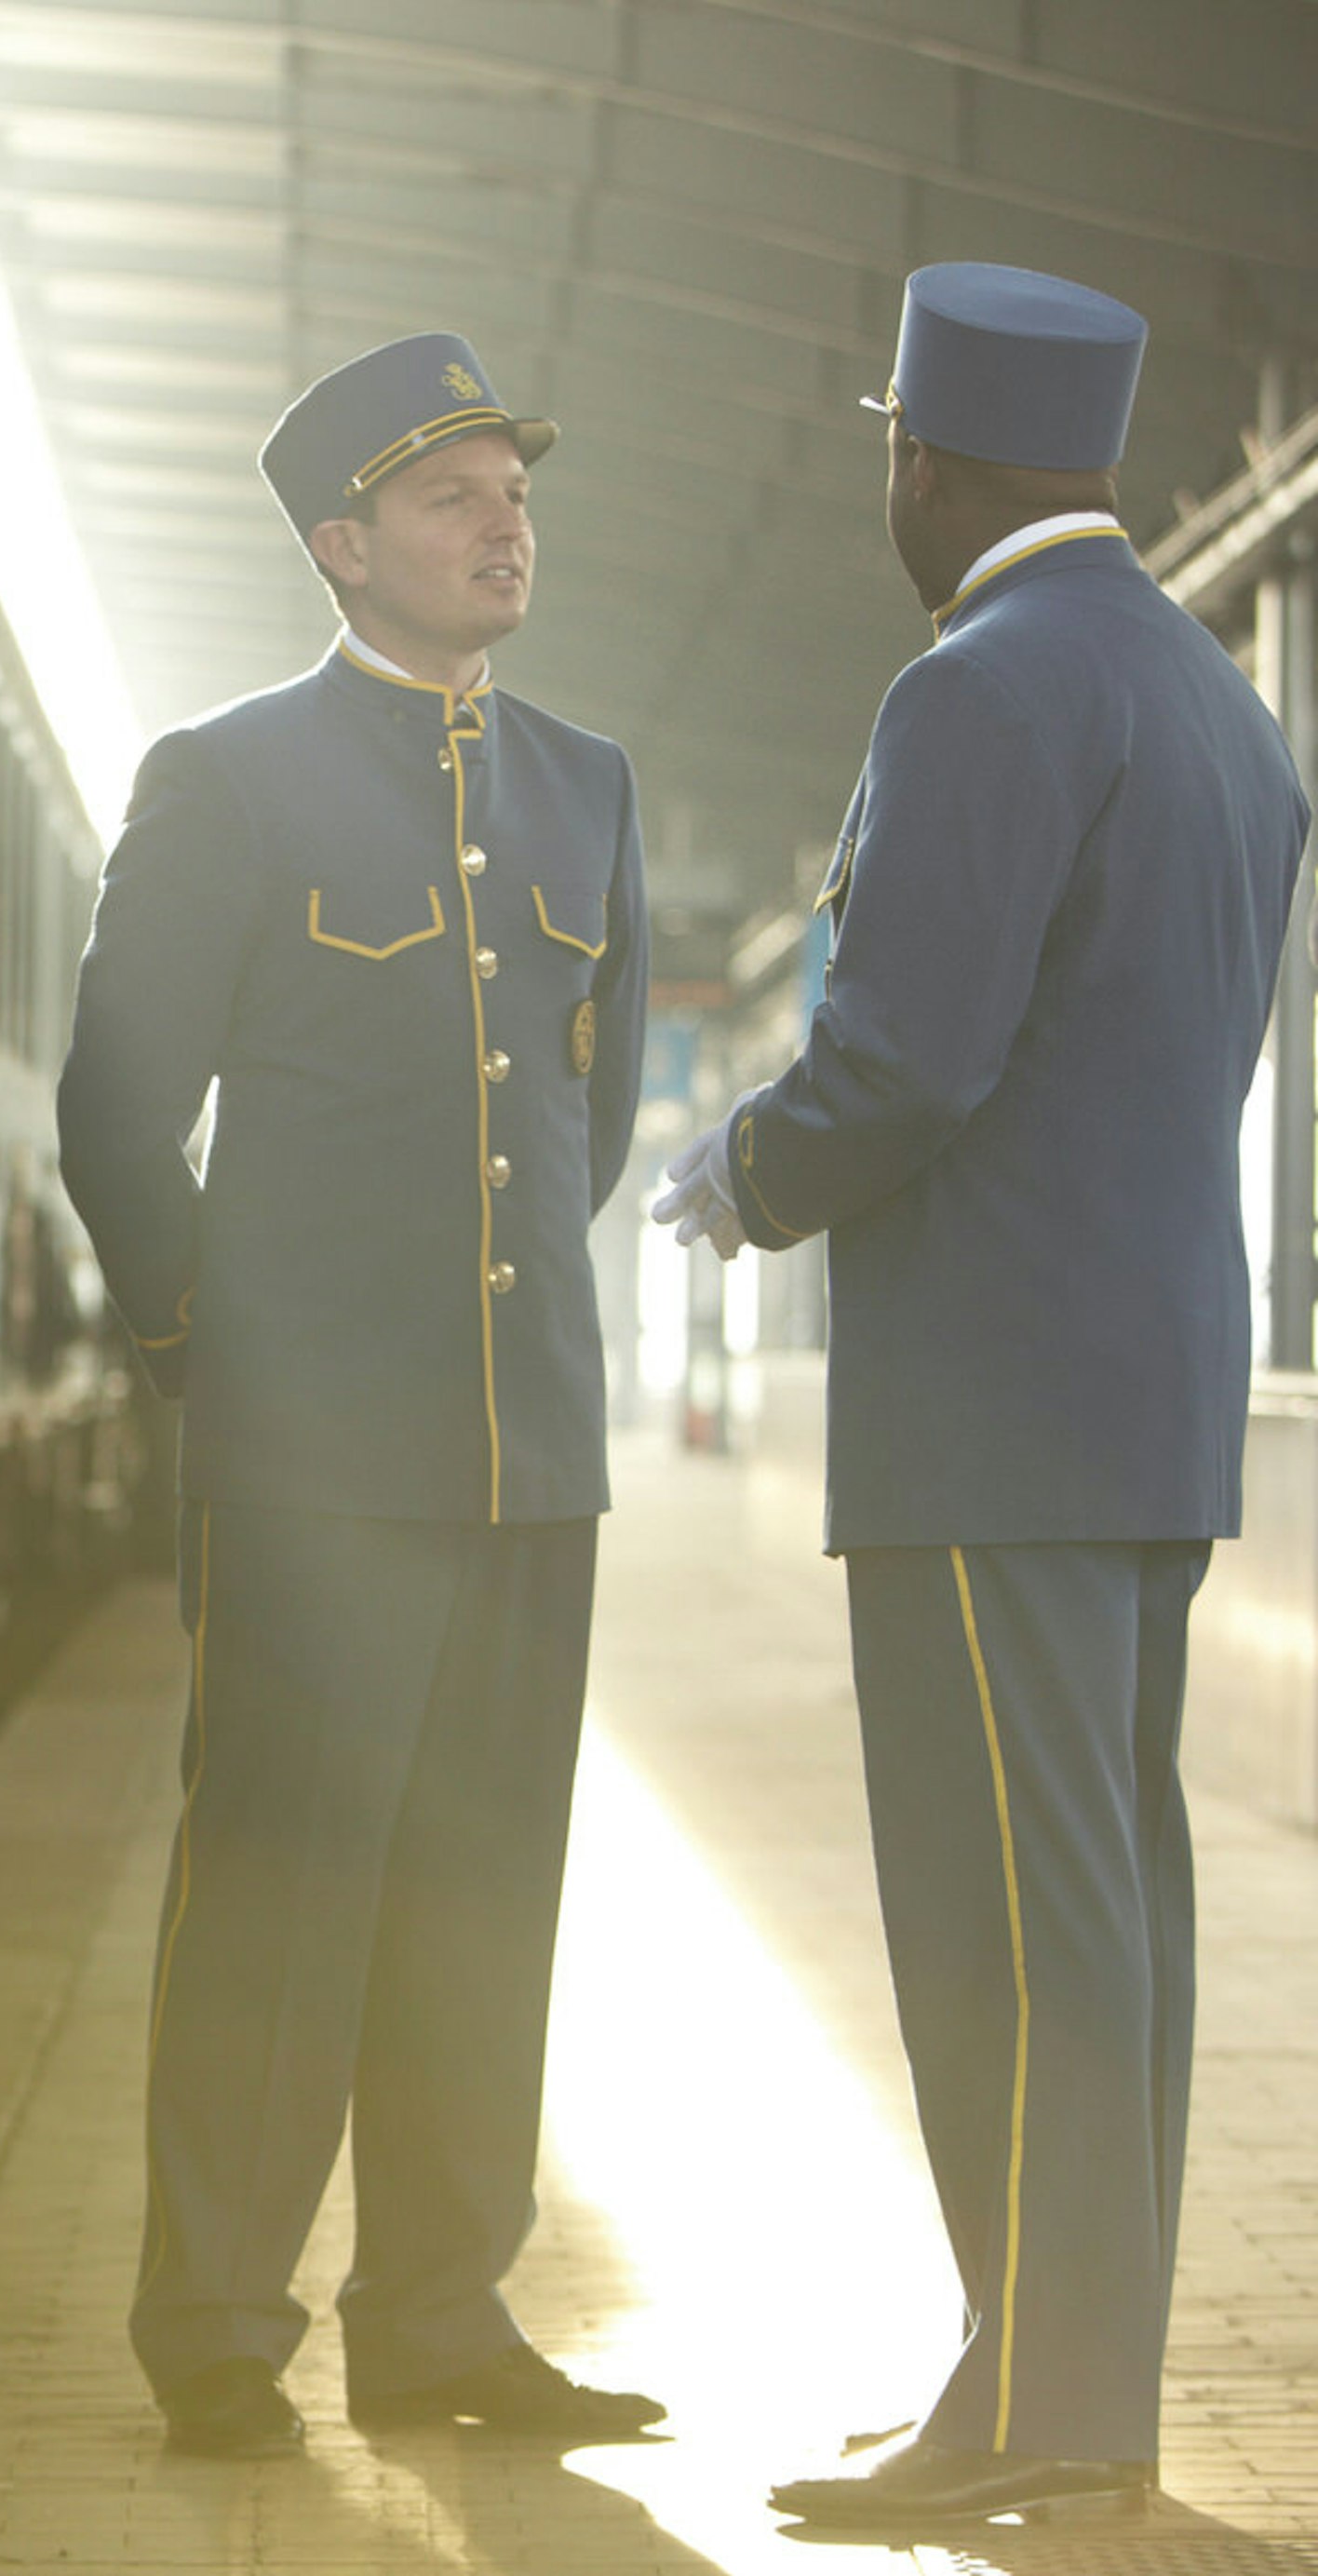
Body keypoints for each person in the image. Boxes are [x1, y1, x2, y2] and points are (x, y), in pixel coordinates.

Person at [652, 264, 1311, 2527]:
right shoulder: (1224, 709)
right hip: (1145, 1406)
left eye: (893, 460)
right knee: (1110, 1906)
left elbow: (907, 1057)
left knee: (1001, 1922)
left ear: (927, 461)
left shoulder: (981, 689)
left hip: (989, 1413)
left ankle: (1037, 2416)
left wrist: (739, 1171)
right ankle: (1062, 2379)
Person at [57, 336, 657, 2459]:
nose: (505, 523)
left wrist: (524, 1370)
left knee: (488, 1894)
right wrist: (216, 1362)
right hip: (311, 1465)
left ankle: (438, 2319)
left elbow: (597, 1110)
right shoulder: (226, 778)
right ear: (340, 548)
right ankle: (219, 2320)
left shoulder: (588, 782)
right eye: (449, 498)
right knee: (285, 1894)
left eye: (514, 488)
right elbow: (120, 1113)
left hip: (526, 1460)